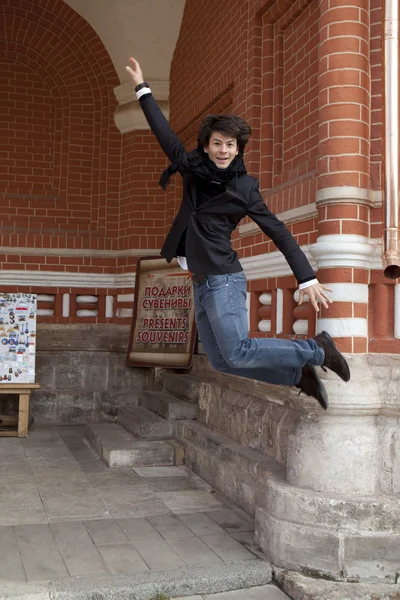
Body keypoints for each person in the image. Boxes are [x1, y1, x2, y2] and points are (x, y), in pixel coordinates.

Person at [126, 58, 350, 409]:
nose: (224, 150)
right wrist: (143, 89)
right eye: (218, 143)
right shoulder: (191, 169)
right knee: (221, 360)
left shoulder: (245, 188)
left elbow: (277, 230)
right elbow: (165, 134)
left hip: (224, 278)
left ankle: (318, 349)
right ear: (206, 146)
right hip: (200, 280)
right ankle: (298, 376)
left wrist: (306, 278)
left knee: (240, 350)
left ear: (238, 149)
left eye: (231, 145)